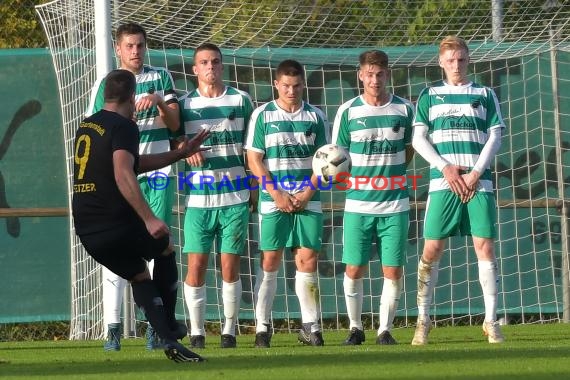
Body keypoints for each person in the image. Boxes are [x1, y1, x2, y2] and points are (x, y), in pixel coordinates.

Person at [72, 69, 209, 362]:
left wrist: (179, 154)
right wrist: (149, 218)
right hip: (113, 221)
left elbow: (132, 163)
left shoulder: (87, 126)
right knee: (165, 246)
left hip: (87, 230)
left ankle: (169, 340)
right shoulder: (125, 126)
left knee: (139, 274)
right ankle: (169, 326)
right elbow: (123, 173)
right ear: (132, 97)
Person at [85, 22, 181, 351]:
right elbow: (97, 124)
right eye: (130, 46)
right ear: (118, 49)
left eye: (140, 45)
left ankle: (155, 328)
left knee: (157, 244)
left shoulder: (161, 78)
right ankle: (113, 326)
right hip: (121, 177)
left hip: (157, 174)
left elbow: (175, 123)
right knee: (120, 253)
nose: (136, 51)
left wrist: (157, 102)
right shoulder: (108, 83)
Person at [410, 36, 506, 345]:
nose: (456, 65)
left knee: (485, 248)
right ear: (440, 62)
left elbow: (495, 136)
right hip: (443, 183)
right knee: (431, 250)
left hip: (479, 182)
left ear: (469, 60)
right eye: (450, 60)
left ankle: (491, 321)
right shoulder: (429, 95)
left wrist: (476, 172)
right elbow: (418, 139)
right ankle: (423, 319)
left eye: (461, 59)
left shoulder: (484, 94)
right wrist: (444, 167)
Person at [245, 59, 330, 348]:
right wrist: (276, 194)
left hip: (309, 199)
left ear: (303, 84)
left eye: (296, 86)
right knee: (270, 262)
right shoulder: (262, 115)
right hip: (273, 201)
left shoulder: (316, 117)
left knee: (307, 261)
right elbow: (254, 159)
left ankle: (311, 326)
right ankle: (262, 327)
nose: (291, 91)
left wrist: (307, 192)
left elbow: (327, 162)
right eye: (286, 86)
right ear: (276, 85)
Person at [332, 50, 414, 346]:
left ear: (387, 75)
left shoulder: (405, 110)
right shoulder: (348, 111)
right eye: (369, 74)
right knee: (354, 267)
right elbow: (337, 156)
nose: (375, 79)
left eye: (380, 74)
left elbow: (409, 149)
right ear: (360, 75)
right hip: (358, 204)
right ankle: (355, 328)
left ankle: (384, 330)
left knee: (392, 269)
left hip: (395, 204)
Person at [179, 43, 255, 349]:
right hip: (199, 198)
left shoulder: (241, 99)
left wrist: (254, 187)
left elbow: (253, 147)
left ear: (222, 66)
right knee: (195, 264)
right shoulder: (184, 105)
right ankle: (197, 332)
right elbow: (175, 140)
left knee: (229, 265)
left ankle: (229, 331)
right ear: (195, 69)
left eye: (215, 62)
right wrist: (184, 150)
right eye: (204, 63)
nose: (210, 67)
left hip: (235, 195)